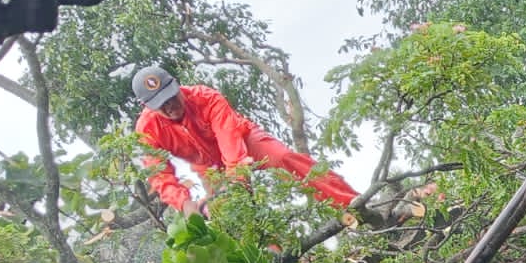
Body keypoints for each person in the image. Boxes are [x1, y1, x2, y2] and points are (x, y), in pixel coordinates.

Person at [132, 65, 360, 216]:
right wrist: (184, 204)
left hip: (243, 141)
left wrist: (236, 182)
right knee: (227, 215)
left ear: (176, 85)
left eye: (172, 97)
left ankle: (352, 204)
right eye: (162, 104)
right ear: (147, 106)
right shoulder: (147, 129)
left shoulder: (206, 98)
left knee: (284, 157)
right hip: (208, 168)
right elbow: (159, 175)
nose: (170, 106)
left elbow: (230, 141)